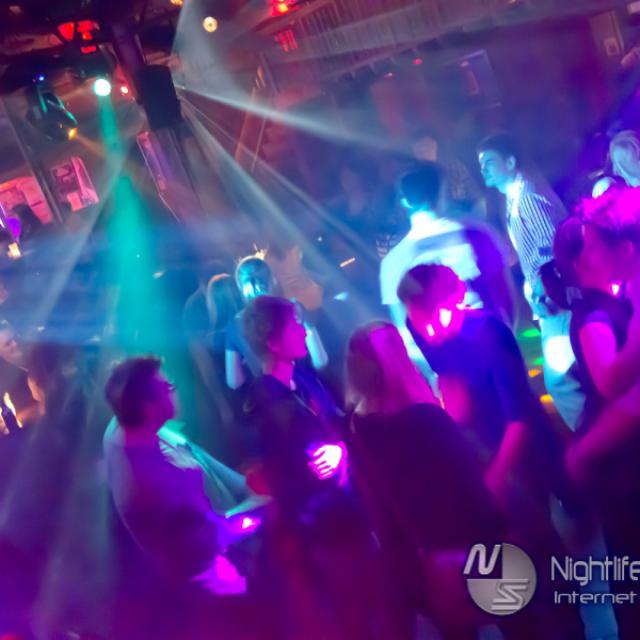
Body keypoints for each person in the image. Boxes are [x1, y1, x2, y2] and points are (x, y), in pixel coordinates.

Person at [345, 321, 505, 639]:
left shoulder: (358, 427)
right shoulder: (426, 418)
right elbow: (469, 484)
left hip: (422, 557)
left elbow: (378, 499)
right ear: (397, 360)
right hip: (470, 542)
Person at [242, 296, 383, 640]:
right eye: (295, 325)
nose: (304, 331)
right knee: (355, 612)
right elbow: (300, 469)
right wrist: (336, 452)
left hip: (346, 511)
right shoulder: (267, 402)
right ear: (273, 342)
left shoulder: (303, 379)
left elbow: (336, 430)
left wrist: (342, 446)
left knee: (372, 602)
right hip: (325, 526)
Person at [103, 357, 265, 602]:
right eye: (168, 387)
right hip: (220, 576)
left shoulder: (122, 427)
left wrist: (246, 488)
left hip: (215, 531)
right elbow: (211, 537)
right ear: (148, 407)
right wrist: (262, 506)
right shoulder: (158, 481)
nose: (174, 388)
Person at [553, 190, 640, 640]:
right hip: (623, 466)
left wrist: (586, 448)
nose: (587, 255)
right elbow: (613, 385)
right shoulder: (599, 309)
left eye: (592, 245)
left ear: (623, 250)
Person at [477, 132, 584, 429]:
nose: (483, 168)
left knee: (561, 381)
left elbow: (554, 246)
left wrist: (540, 284)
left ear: (511, 162)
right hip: (553, 298)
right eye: (481, 163)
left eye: (489, 162)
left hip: (558, 299)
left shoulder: (527, 196)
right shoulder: (515, 195)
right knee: (574, 371)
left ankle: (595, 441)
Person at [380, 162, 515, 359]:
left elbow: (405, 333)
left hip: (447, 362)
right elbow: (505, 295)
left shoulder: (393, 262)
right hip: (493, 346)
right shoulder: (477, 233)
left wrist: (434, 369)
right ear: (442, 191)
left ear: (403, 201)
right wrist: (507, 343)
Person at [225, 255, 327, 390]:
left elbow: (234, 382)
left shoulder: (235, 324)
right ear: (272, 281)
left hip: (269, 397)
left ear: (240, 287)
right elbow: (320, 360)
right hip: (304, 391)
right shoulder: (294, 308)